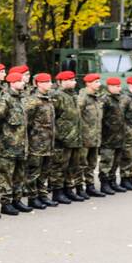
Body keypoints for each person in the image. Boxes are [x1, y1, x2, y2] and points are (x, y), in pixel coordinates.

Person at [0, 71, 30, 216]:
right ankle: (6, 203)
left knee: (19, 174)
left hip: (21, 144)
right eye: (21, 81)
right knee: (7, 175)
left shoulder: (21, 98)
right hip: (8, 145)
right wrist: (4, 138)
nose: (23, 83)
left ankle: (17, 199)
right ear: (13, 83)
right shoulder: (5, 99)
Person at [51, 71, 85, 203]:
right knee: (59, 167)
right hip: (63, 139)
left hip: (75, 137)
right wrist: (59, 135)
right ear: (62, 81)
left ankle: (68, 189)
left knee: (72, 166)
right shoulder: (57, 96)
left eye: (74, 79)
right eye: (71, 80)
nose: (74, 82)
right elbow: (53, 118)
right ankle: (57, 192)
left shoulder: (73, 96)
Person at [23, 73, 56, 209]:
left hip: (48, 142)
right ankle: (33, 197)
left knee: (44, 171)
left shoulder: (48, 99)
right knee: (34, 172)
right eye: (47, 81)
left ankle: (42, 195)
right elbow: (27, 122)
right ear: (39, 84)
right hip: (36, 142)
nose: (50, 84)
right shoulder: (32, 101)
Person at [76, 73, 105, 197]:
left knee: (92, 163)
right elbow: (77, 117)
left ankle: (90, 186)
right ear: (88, 83)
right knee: (81, 164)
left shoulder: (96, 97)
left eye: (99, 81)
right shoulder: (83, 98)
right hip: (84, 137)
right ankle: (79, 187)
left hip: (95, 136)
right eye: (96, 82)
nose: (99, 84)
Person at [99, 78, 127, 193]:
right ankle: (104, 184)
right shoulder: (104, 100)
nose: (119, 88)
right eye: (116, 86)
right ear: (109, 87)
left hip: (119, 136)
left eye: (119, 86)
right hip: (108, 137)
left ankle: (112, 181)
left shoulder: (119, 99)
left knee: (116, 161)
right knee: (106, 162)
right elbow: (100, 118)